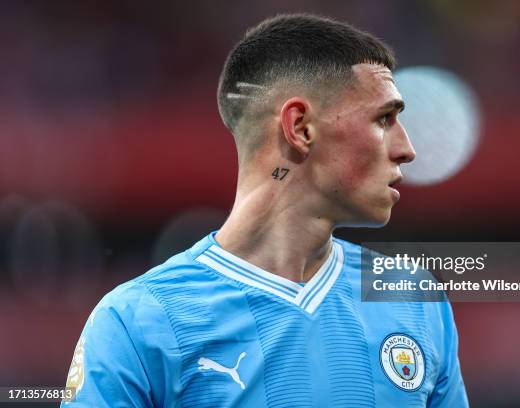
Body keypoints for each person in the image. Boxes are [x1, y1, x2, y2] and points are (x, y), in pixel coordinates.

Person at [62, 13, 468, 407]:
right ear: (301, 128)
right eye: (384, 119)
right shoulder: (138, 322)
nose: (407, 149)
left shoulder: (414, 302)